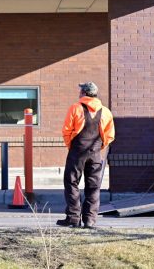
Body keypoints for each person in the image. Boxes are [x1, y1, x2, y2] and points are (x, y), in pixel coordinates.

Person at [57, 82, 115, 229]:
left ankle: (73, 218)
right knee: (93, 187)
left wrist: (73, 147)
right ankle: (89, 220)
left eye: (80, 91)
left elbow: (66, 131)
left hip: (77, 151)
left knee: (71, 183)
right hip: (95, 153)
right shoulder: (106, 112)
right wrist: (98, 148)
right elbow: (109, 135)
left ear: (83, 93)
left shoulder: (76, 108)